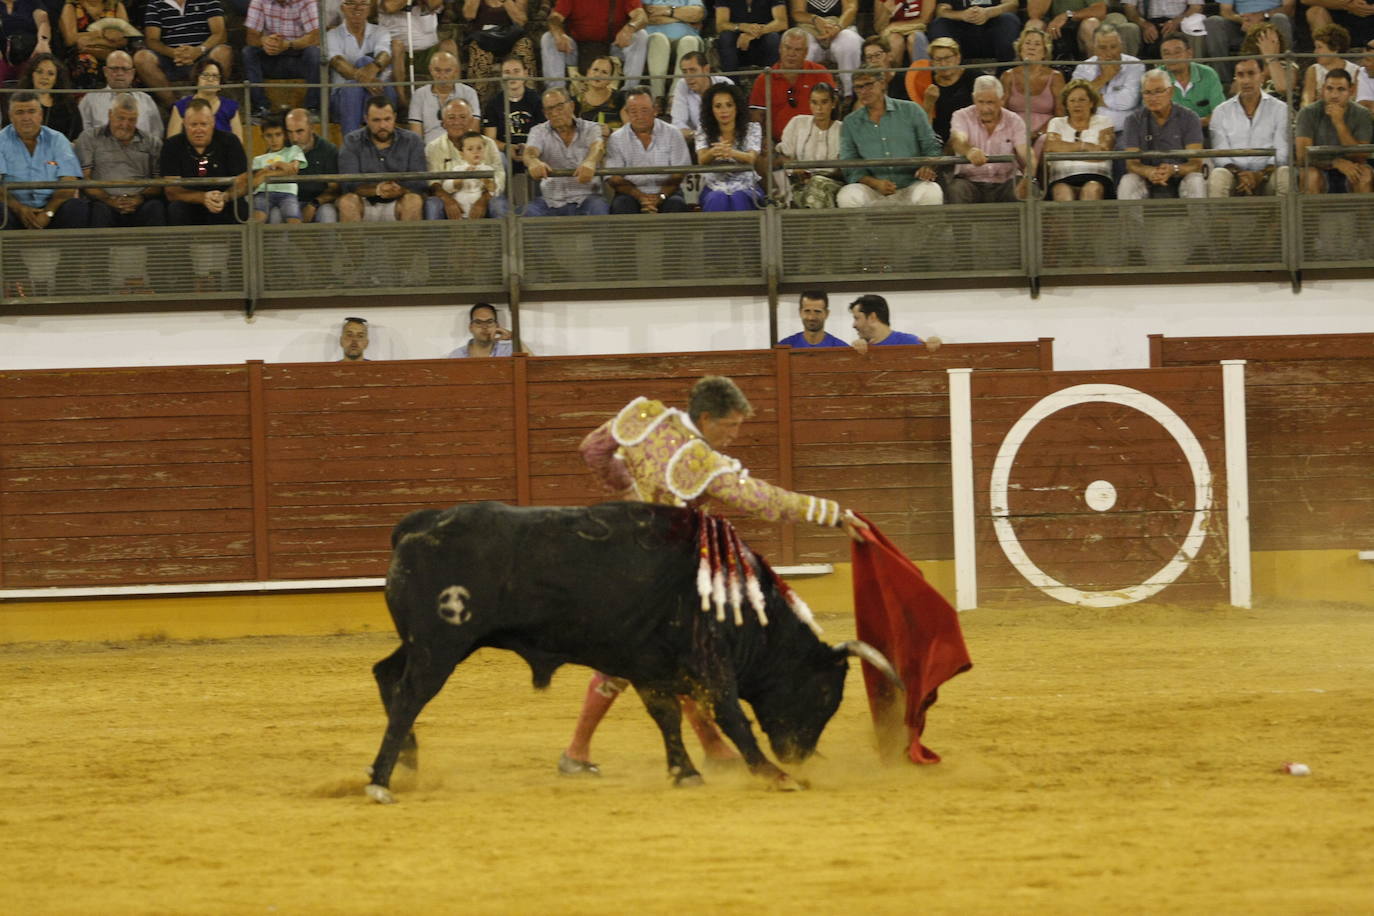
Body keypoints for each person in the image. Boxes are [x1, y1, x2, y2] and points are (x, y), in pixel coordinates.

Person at [559, 374, 869, 777]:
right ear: (706, 418)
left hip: (631, 550)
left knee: (682, 654)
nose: (736, 435)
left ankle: (711, 746)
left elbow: (594, 450)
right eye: (731, 426)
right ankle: (577, 752)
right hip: (666, 570)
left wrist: (627, 492)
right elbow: (762, 500)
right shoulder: (700, 462)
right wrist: (832, 515)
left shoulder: (646, 416)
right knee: (646, 657)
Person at [837, 70, 943, 207]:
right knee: (848, 195)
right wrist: (875, 183)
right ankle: (860, 230)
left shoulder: (911, 110)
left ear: (882, 84)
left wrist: (927, 166)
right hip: (873, 189)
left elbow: (931, 147)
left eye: (868, 85)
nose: (863, 91)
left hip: (912, 185)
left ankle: (928, 229)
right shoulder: (850, 122)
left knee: (932, 192)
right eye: (858, 87)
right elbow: (850, 164)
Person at [1, 91, 89, 230]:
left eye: (31, 111)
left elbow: (69, 181)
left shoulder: (57, 139)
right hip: (13, 209)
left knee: (76, 207)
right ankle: (9, 252)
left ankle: (69, 252)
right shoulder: (1, 140)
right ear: (11, 117)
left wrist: (48, 213)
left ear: (40, 115)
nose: (26, 117)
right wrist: (20, 209)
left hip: (52, 208)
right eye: (19, 112)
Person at [77, 91, 166, 227]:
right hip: (103, 202)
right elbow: (85, 179)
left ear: (137, 119)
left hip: (141, 202)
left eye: (131, 120)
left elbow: (159, 182)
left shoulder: (152, 143)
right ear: (109, 115)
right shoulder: (90, 138)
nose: (125, 125)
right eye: (120, 118)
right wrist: (108, 199)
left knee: (155, 208)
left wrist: (139, 198)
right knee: (97, 211)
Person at [1207, 55, 1291, 197]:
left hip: (1268, 176)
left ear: (1262, 77)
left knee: (1285, 173)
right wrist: (1241, 175)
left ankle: (1283, 220)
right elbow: (1220, 154)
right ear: (1235, 78)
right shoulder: (1221, 111)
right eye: (1240, 75)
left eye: (1251, 74)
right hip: (1235, 177)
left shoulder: (1280, 109)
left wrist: (1260, 175)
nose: (1246, 81)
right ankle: (1218, 220)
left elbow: (1281, 153)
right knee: (1218, 175)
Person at [160, 96, 250, 225]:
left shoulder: (230, 142)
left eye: (203, 124)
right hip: (189, 202)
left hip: (224, 200)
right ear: (184, 124)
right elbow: (172, 192)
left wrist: (225, 196)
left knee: (240, 206)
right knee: (176, 208)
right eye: (193, 125)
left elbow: (243, 182)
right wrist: (203, 198)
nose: (199, 130)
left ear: (213, 122)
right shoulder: (172, 145)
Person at [1117, 69, 1204, 199]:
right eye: (1147, 93)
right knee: (1128, 182)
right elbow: (1132, 163)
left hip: (1181, 176)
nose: (1153, 98)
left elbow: (1196, 163)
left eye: (1158, 91)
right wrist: (1148, 171)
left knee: (1196, 180)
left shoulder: (1190, 117)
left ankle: (1199, 220)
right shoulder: (1133, 120)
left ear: (1170, 91)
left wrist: (1174, 169)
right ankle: (1129, 221)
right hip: (1146, 179)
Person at [523, 86, 610, 216]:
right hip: (550, 200)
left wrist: (590, 162)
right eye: (549, 109)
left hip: (586, 198)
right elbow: (529, 151)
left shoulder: (591, 128)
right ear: (545, 113)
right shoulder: (538, 131)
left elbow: (598, 147)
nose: (555, 113)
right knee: (528, 212)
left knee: (599, 208)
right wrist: (533, 162)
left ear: (571, 106)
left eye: (559, 107)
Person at [338, 95, 428, 221]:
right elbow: (349, 183)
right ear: (366, 119)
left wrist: (399, 190)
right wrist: (378, 190)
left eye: (387, 119)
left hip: (399, 203)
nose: (383, 125)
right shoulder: (352, 141)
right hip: (364, 202)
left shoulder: (412, 141)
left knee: (413, 200)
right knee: (347, 201)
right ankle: (355, 242)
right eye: (376, 120)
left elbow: (419, 182)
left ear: (395, 117)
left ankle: (408, 241)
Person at [604, 85, 691, 212]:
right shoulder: (617, 138)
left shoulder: (673, 133)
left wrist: (660, 197)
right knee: (621, 205)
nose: (639, 116)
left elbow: (679, 174)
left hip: (667, 193)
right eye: (633, 111)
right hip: (631, 194)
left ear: (654, 110)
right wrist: (640, 197)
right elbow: (614, 178)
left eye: (644, 110)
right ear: (626, 113)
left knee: (676, 204)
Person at [133, 0, 233, 109]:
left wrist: (198, 51)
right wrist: (174, 53)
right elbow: (152, 40)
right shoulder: (155, 4)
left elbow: (220, 34)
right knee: (141, 58)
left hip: (203, 58)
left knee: (223, 52)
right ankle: (174, 107)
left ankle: (209, 106)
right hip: (171, 60)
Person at [947, 74, 1031, 203]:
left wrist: (1028, 177)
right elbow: (958, 140)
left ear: (1002, 99)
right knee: (956, 190)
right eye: (981, 102)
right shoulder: (961, 116)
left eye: (990, 102)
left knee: (1027, 189)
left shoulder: (1014, 120)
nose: (985, 108)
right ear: (974, 99)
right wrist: (970, 151)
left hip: (1006, 182)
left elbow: (1026, 153)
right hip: (970, 182)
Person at [427, 97, 509, 219]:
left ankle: (505, 238)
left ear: (471, 121)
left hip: (484, 195)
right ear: (443, 123)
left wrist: (483, 200)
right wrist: (448, 200)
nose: (457, 122)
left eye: (463, 117)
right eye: (451, 117)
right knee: (433, 205)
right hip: (449, 196)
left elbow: (499, 176)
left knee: (499, 204)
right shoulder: (433, 147)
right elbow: (433, 182)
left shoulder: (488, 143)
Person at [748, 27, 835, 142]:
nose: (791, 54)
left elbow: (834, 109)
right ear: (780, 48)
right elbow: (756, 120)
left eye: (797, 50)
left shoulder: (820, 73)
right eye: (787, 48)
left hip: (817, 141)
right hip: (777, 145)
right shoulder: (765, 79)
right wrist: (766, 146)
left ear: (806, 52)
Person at [1295, 68, 1374, 193]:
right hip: (1319, 169)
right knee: (1310, 175)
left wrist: (1339, 123)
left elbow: (1361, 155)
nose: (1334, 95)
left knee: (1364, 174)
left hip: (1352, 169)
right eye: (1329, 89)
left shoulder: (1362, 114)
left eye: (1341, 89)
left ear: (1351, 91)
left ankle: (1363, 213)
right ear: (1322, 90)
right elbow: (1302, 157)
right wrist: (1334, 162)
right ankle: (1311, 213)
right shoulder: (1307, 113)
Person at [241, 0, 322, 119]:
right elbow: (251, 37)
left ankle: (312, 108)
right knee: (248, 52)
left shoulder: (307, 1)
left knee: (314, 53)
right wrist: (265, 42)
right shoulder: (259, 1)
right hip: (271, 57)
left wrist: (288, 44)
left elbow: (315, 37)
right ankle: (261, 108)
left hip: (298, 59)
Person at [542, 0, 649, 89]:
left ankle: (629, 91)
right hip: (578, 50)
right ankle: (557, 91)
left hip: (613, 47)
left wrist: (630, 28)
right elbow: (554, 18)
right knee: (549, 38)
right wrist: (558, 33)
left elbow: (641, 16)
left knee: (640, 36)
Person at [326, 0, 395, 135]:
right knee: (352, 88)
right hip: (342, 100)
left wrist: (373, 66)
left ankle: (351, 147)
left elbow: (385, 55)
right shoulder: (332, 35)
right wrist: (368, 79)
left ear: (369, 8)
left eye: (363, 3)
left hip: (377, 94)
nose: (357, 8)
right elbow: (338, 64)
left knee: (365, 61)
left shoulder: (380, 31)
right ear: (342, 8)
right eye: (351, 3)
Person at [1042, 78, 1115, 199]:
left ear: (1091, 103)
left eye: (1082, 100)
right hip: (1062, 178)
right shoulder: (1056, 122)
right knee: (1062, 191)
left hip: (1096, 177)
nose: (1077, 104)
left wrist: (1066, 150)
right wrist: (1085, 147)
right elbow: (1051, 147)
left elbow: (1103, 151)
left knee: (1092, 189)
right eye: (1072, 100)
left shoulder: (1104, 121)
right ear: (1066, 104)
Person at [774, 79, 843, 207]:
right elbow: (782, 156)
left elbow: (842, 167)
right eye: (814, 102)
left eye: (824, 102)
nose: (819, 108)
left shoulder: (842, 129)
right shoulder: (797, 123)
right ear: (809, 103)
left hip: (832, 183)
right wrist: (797, 170)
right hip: (799, 181)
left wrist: (815, 176)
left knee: (817, 184)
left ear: (833, 104)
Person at [696, 82, 762, 210]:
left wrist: (731, 152)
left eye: (729, 105)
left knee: (738, 198)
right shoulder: (703, 130)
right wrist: (714, 152)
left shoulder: (752, 128)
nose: (724, 111)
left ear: (737, 107)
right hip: (713, 186)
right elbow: (702, 159)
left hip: (747, 185)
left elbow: (751, 158)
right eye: (718, 106)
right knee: (717, 198)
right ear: (711, 109)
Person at [1070, 22, 1144, 135]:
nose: (1109, 53)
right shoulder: (1083, 68)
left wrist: (1093, 99)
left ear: (1121, 45)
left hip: (1126, 131)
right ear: (1094, 48)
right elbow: (1076, 100)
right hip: (1089, 130)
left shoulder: (1135, 65)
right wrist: (1103, 78)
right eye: (1102, 47)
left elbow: (1128, 101)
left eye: (1113, 47)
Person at [378, 0, 455, 107]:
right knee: (397, 46)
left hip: (429, 49)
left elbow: (434, 4)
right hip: (400, 51)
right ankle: (403, 104)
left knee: (449, 45)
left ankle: (452, 99)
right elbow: (389, 6)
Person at [1000, 27, 1063, 159]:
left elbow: (1060, 114)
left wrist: (1038, 133)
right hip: (1014, 129)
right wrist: (1016, 132)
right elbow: (1001, 111)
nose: (1031, 47)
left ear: (1045, 52)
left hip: (1045, 131)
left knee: (1044, 141)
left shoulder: (1056, 77)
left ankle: (1033, 177)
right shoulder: (1008, 76)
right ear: (1020, 49)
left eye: (1037, 44)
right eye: (1027, 43)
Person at [461, 0, 537, 105]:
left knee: (525, 45)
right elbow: (469, 14)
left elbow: (521, 20)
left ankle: (530, 102)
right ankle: (478, 106)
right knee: (480, 54)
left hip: (510, 38)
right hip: (482, 39)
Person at [78, 49, 163, 139]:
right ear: (105, 71)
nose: (120, 73)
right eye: (114, 69)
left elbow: (157, 134)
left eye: (125, 69)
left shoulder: (146, 100)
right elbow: (83, 137)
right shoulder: (90, 100)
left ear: (133, 73)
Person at [1203, 0, 1293, 84]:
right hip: (1239, 23)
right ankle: (1223, 82)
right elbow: (1226, 12)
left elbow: (1288, 7)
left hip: (1270, 20)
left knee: (1280, 18)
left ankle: (1282, 75)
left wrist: (1263, 16)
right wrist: (1246, 20)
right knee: (1213, 22)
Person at [406, 50, 481, 145]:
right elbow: (416, 135)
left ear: (456, 71)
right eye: (437, 70)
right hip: (430, 150)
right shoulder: (419, 95)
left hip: (463, 148)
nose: (442, 75)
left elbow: (473, 129)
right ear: (430, 69)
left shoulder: (469, 93)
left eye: (447, 70)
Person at [481, 55, 544, 166]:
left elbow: (545, 134)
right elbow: (490, 140)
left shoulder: (537, 101)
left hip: (533, 150)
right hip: (504, 152)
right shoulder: (493, 104)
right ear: (501, 76)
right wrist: (507, 147)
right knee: (497, 158)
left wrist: (530, 149)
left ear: (525, 73)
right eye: (507, 72)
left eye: (516, 71)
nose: (512, 76)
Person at [792, 0, 862, 97]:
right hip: (809, 27)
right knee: (804, 46)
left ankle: (851, 95)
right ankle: (801, 96)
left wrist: (837, 28)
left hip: (840, 25)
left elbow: (851, 8)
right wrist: (815, 20)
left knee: (849, 42)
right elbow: (797, 12)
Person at [166, 58, 244, 144]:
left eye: (215, 76)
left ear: (220, 84)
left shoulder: (230, 107)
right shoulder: (181, 106)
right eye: (205, 75)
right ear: (197, 80)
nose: (210, 80)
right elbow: (172, 143)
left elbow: (238, 143)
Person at [59, 0, 133, 90]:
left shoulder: (116, 6)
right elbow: (70, 39)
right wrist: (101, 33)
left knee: (121, 62)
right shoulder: (71, 7)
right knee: (85, 61)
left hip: (111, 53)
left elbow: (123, 39)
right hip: (81, 54)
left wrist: (91, 42)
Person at [284, 107, 341, 222]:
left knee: (327, 213)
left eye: (299, 131)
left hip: (319, 203)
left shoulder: (328, 150)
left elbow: (335, 189)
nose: (294, 138)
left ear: (312, 128)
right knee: (275, 213)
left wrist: (314, 204)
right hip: (286, 201)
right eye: (290, 132)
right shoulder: (281, 148)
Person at [642, 0, 705, 102]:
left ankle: (675, 97)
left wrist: (667, 11)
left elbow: (697, 14)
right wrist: (682, 19)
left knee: (689, 41)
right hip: (655, 38)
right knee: (659, 39)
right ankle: (657, 97)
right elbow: (645, 16)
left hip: (687, 37)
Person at [917, 36, 976, 144]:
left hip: (970, 136)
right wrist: (928, 103)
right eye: (938, 60)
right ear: (932, 62)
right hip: (937, 139)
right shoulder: (926, 82)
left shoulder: (974, 78)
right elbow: (922, 126)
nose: (943, 64)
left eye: (948, 58)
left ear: (958, 58)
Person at [251, 113, 307, 223]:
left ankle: (298, 240)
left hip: (287, 194)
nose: (274, 140)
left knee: (293, 219)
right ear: (263, 137)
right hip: (263, 193)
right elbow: (255, 181)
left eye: (278, 134)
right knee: (257, 219)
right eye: (269, 136)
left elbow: (293, 170)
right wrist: (282, 169)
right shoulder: (258, 159)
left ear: (285, 135)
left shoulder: (294, 150)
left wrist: (271, 169)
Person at [669, 50, 733, 144]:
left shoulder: (726, 84)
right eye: (684, 72)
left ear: (706, 70)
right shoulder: (682, 85)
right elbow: (677, 124)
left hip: (727, 140)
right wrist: (699, 136)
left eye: (693, 70)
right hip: (697, 142)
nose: (688, 77)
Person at [1158, 34, 1223, 127]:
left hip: (1204, 130)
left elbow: (1220, 113)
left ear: (1189, 53)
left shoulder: (1208, 74)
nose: (1172, 57)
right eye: (1166, 53)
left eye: (1177, 52)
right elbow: (1152, 117)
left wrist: (1192, 125)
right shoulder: (1155, 78)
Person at [928, 0, 1021, 63]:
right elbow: (941, 11)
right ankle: (953, 73)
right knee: (939, 23)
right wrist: (962, 15)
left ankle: (1005, 73)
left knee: (1009, 19)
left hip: (994, 31)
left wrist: (989, 12)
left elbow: (1012, 4)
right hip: (962, 35)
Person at [17, 52, 80, 140]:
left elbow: (76, 137)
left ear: (56, 79)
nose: (44, 77)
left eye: (50, 74)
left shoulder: (69, 106)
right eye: (39, 72)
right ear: (32, 75)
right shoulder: (17, 103)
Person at [1111, 0, 1201, 61]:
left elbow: (1196, 7)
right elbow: (1130, 9)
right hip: (1146, 22)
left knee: (1194, 27)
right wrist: (1144, 24)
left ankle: (1194, 73)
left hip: (1180, 22)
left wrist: (1177, 22)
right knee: (1127, 29)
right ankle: (1127, 73)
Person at [437, 130, 499, 218]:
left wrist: (485, 180)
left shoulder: (488, 170)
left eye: (479, 148)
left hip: (480, 213)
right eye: (470, 149)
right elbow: (447, 187)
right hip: (460, 210)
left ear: (484, 150)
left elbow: (494, 190)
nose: (475, 152)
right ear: (462, 154)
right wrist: (460, 179)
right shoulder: (457, 169)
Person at [715, 0, 786, 75]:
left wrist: (753, 34)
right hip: (737, 43)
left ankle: (773, 81)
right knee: (726, 37)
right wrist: (741, 26)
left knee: (773, 38)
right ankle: (731, 84)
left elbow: (782, 23)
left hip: (763, 39)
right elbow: (720, 25)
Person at [1025, 0, 1106, 64]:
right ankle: (1032, 73)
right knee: (1034, 24)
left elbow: (1100, 10)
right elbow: (1034, 14)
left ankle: (1096, 71)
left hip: (1079, 31)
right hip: (1049, 31)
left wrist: (1069, 15)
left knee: (1091, 24)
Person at [1302, 24, 1360, 107]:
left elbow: (1355, 101)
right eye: (1315, 47)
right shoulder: (1313, 70)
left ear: (1335, 48)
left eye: (1319, 47)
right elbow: (1307, 99)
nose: (1315, 52)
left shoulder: (1355, 71)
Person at [850, 294, 927, 350]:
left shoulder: (910, 343)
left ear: (872, 317)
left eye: (857, 318)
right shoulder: (861, 349)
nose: (854, 325)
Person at [0, 0, 55, 78]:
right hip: (3, 59)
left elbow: (43, 21)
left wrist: (43, 41)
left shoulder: (31, 2)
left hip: (30, 57)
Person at [574, 55, 626, 136]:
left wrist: (611, 131)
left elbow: (630, 130)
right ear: (588, 73)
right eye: (595, 70)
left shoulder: (621, 99)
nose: (598, 74)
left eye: (604, 72)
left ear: (610, 79)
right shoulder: (575, 102)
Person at [447, 302, 524, 356]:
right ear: (470, 327)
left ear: (497, 326)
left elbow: (533, 368)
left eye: (489, 322)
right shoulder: (457, 355)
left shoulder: (509, 351)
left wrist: (514, 338)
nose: (484, 327)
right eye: (478, 322)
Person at [875, 0, 934, 70]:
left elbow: (926, 19)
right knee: (895, 41)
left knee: (915, 39)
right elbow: (879, 27)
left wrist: (896, 25)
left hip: (918, 29)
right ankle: (892, 77)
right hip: (892, 33)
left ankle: (921, 77)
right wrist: (886, 11)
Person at [777, 291, 849, 347]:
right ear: (800, 312)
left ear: (827, 314)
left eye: (817, 311)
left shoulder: (841, 349)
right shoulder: (785, 347)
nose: (811, 317)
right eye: (807, 311)